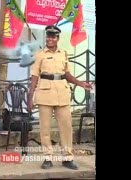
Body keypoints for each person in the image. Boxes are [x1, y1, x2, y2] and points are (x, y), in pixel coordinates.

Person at [27, 25, 92, 170]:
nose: (50, 39)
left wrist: (81, 83)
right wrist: (30, 97)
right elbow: (34, 77)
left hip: (62, 94)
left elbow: (67, 74)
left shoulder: (64, 53)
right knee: (45, 129)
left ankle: (67, 158)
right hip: (45, 93)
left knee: (66, 127)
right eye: (48, 36)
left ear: (58, 38)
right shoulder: (40, 55)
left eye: (53, 36)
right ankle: (48, 157)